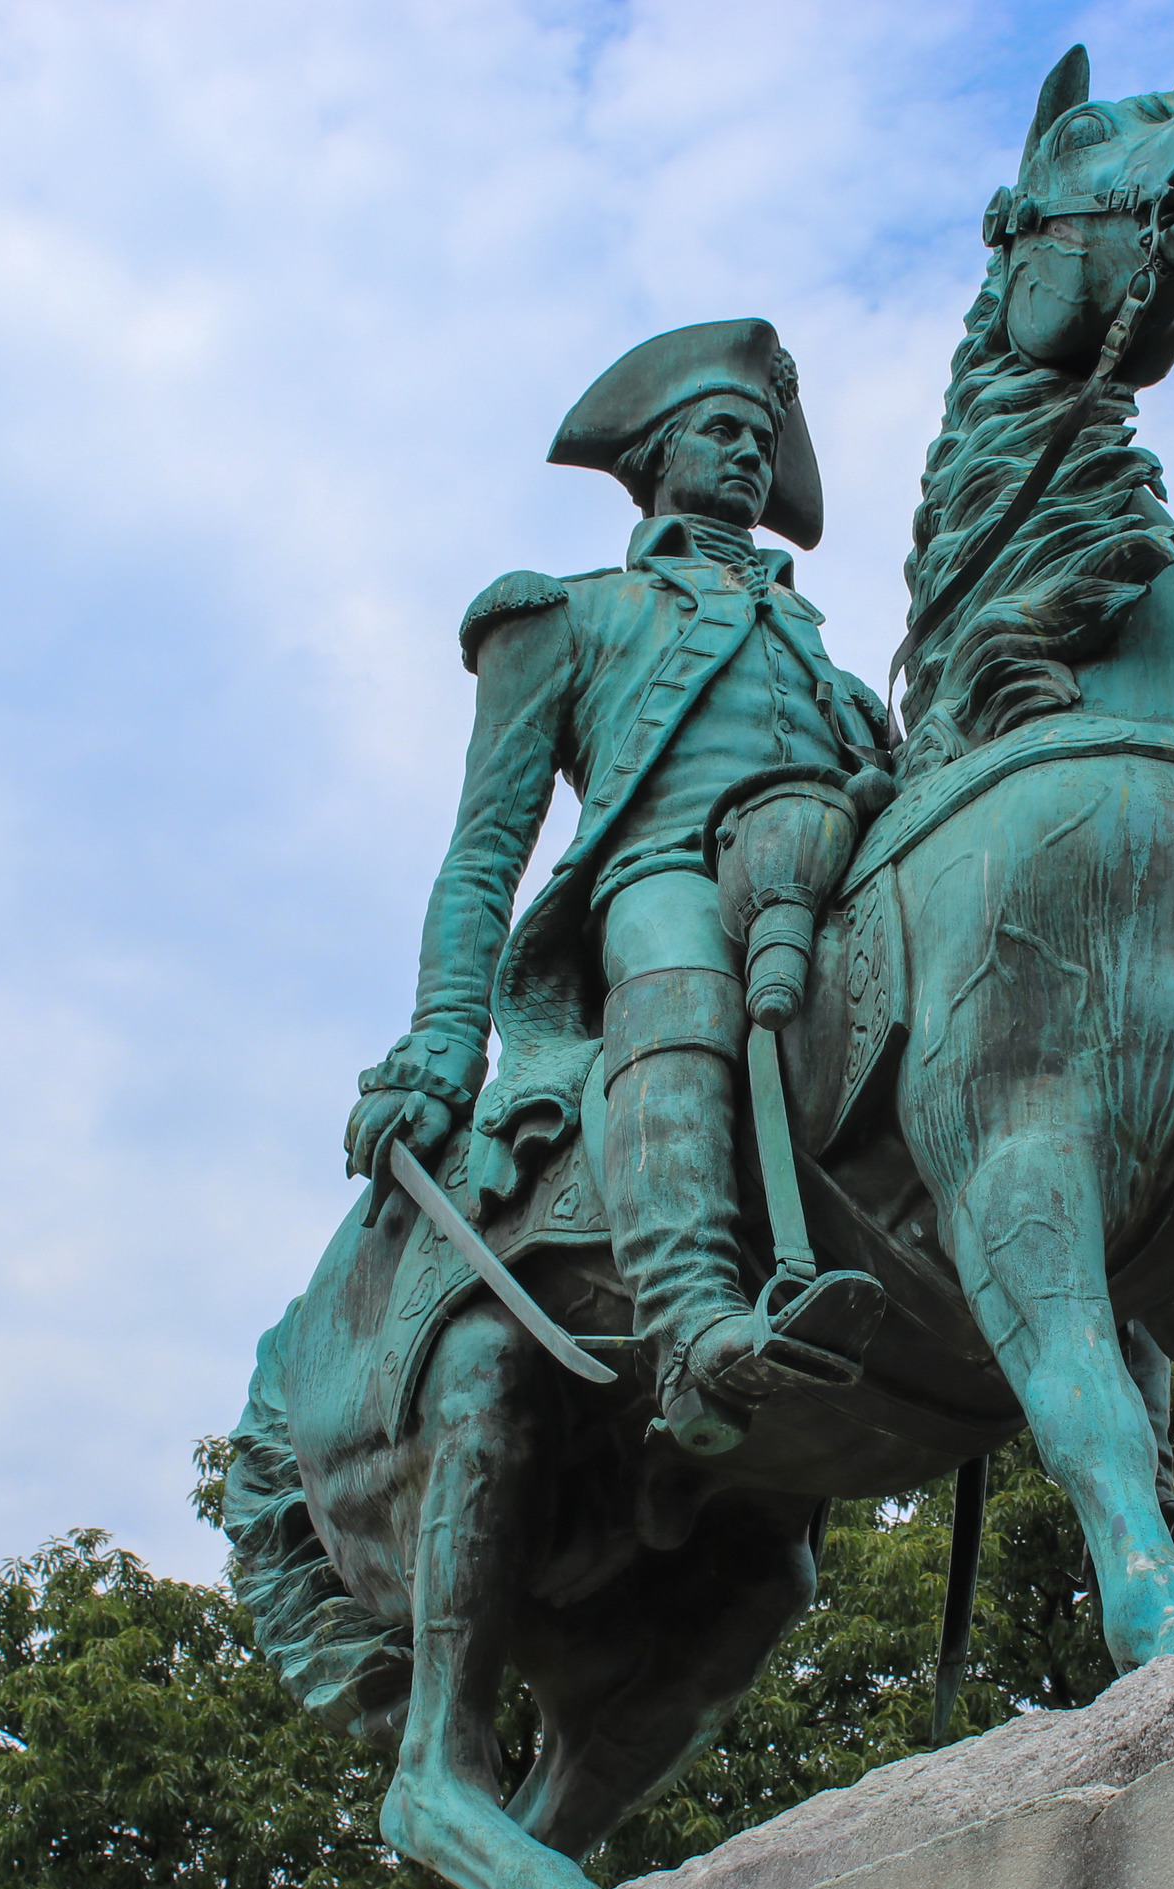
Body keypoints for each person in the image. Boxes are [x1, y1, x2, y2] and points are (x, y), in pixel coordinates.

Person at [343, 320, 894, 1450]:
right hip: (667, 877)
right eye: (723, 431)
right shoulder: (567, 615)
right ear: (657, 456)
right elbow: (484, 849)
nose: (749, 453)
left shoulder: (827, 660)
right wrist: (444, 1040)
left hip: (827, 872)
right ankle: (693, 1325)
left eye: (762, 439)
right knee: (677, 965)